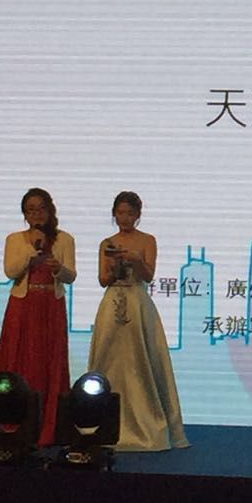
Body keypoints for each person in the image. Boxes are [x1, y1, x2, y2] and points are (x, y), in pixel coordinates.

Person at [86, 191, 188, 451]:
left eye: (130, 213)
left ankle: (147, 423)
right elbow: (102, 280)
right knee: (108, 359)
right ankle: (100, 422)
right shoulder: (107, 243)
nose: (125, 218)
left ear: (138, 215)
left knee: (142, 360)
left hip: (137, 302)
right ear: (114, 214)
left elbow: (149, 276)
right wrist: (114, 266)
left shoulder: (147, 240)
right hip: (112, 303)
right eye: (120, 213)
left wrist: (137, 260)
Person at [0, 188, 76, 448]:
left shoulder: (64, 239)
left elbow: (70, 276)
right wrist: (31, 254)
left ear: (50, 210)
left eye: (41, 209)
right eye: (30, 210)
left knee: (50, 361)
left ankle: (50, 423)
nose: (36, 214)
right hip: (23, 305)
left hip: (51, 305)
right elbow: (10, 271)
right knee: (19, 357)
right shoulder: (15, 239)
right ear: (24, 214)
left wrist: (58, 268)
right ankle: (13, 419)